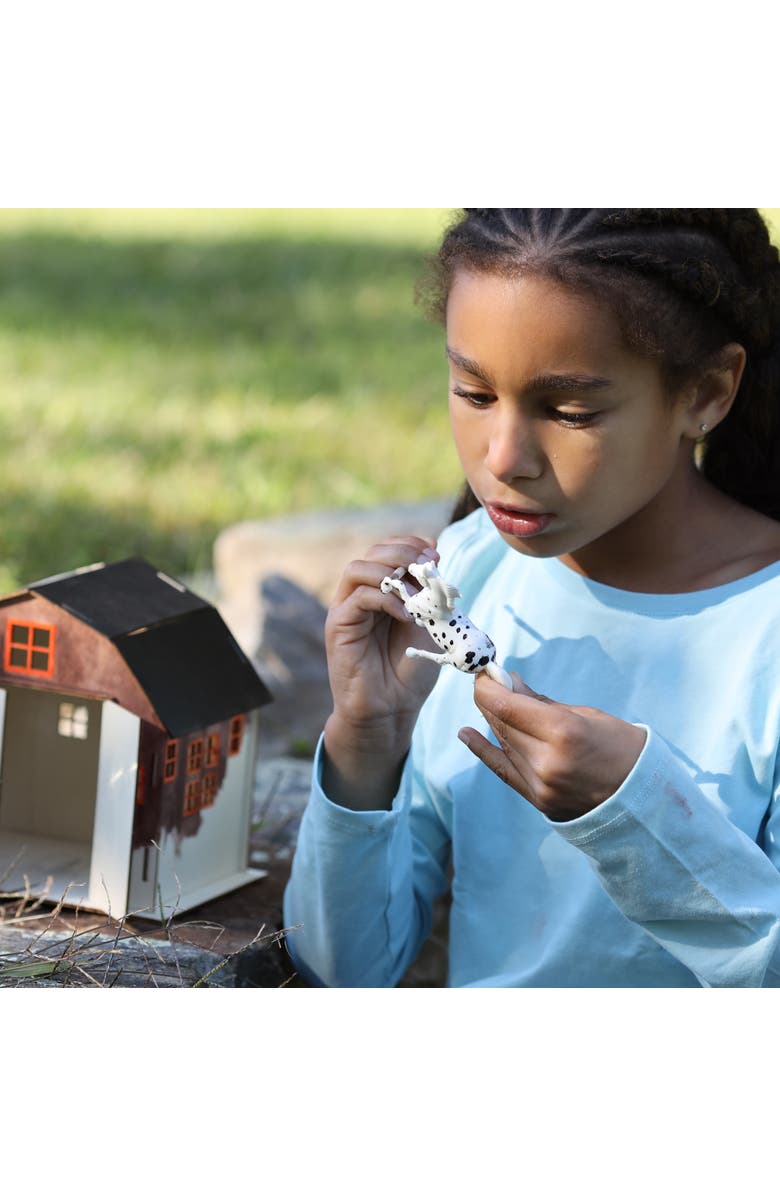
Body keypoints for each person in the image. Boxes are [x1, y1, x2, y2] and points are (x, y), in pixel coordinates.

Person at [283, 208, 780, 987]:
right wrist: (365, 747)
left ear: (708, 393)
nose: (504, 459)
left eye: (570, 410)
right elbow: (346, 970)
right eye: (473, 393)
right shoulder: (472, 574)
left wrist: (635, 820)